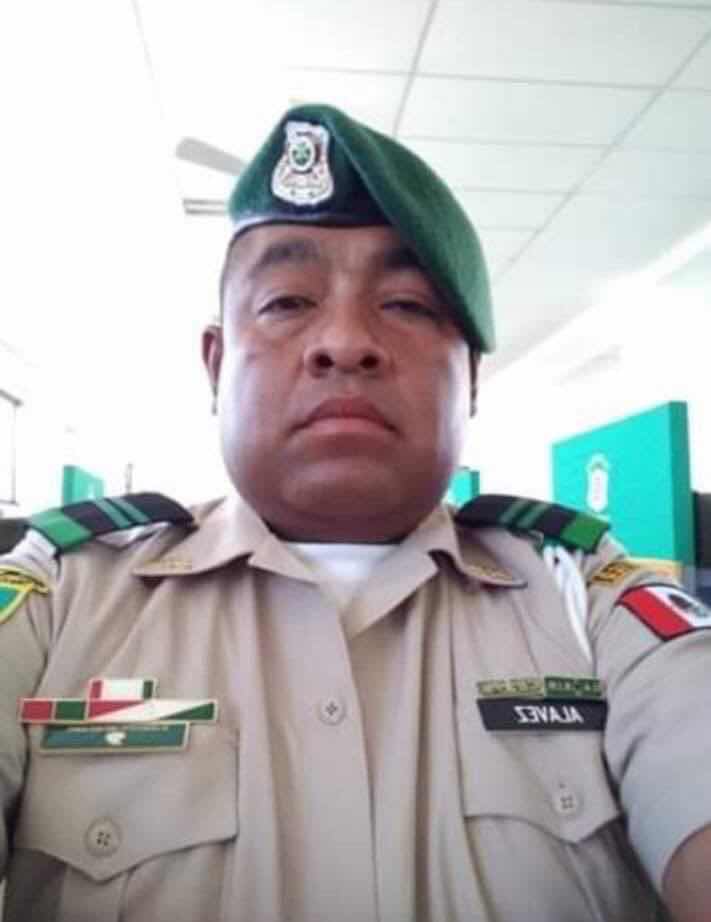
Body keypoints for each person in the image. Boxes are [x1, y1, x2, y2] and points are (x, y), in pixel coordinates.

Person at [0, 103, 709, 922]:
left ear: (470, 379)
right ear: (216, 363)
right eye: (286, 302)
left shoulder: (587, 597)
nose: (343, 341)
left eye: (406, 304)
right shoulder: (59, 596)